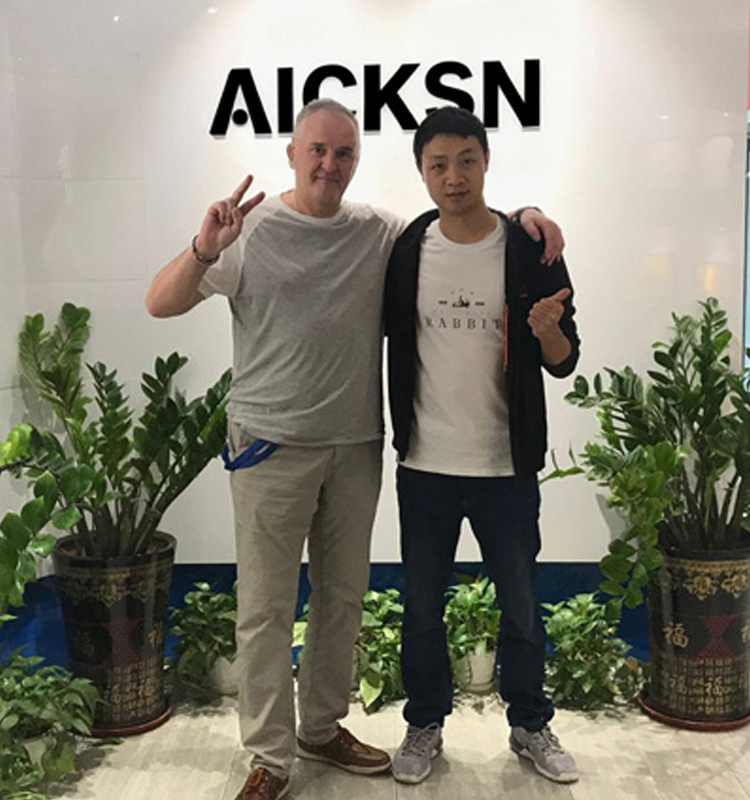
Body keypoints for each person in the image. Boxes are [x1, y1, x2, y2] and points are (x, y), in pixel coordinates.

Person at [145, 98, 564, 800]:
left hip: (356, 446)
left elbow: (458, 219)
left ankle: (321, 728)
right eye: (317, 150)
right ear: (292, 154)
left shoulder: (380, 233)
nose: (329, 165)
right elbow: (160, 302)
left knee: (342, 599)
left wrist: (528, 214)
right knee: (266, 609)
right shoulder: (247, 231)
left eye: (343, 153)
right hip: (269, 446)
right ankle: (270, 756)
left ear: (357, 161)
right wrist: (203, 247)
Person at [384, 106, 581, 786]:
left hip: (506, 466)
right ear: (422, 172)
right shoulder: (407, 249)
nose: (454, 176)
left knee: (521, 605)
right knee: (421, 608)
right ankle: (424, 724)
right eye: (437, 164)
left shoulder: (528, 247)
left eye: (466, 160)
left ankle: (530, 723)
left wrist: (546, 330)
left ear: (487, 161)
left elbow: (564, 360)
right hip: (425, 467)